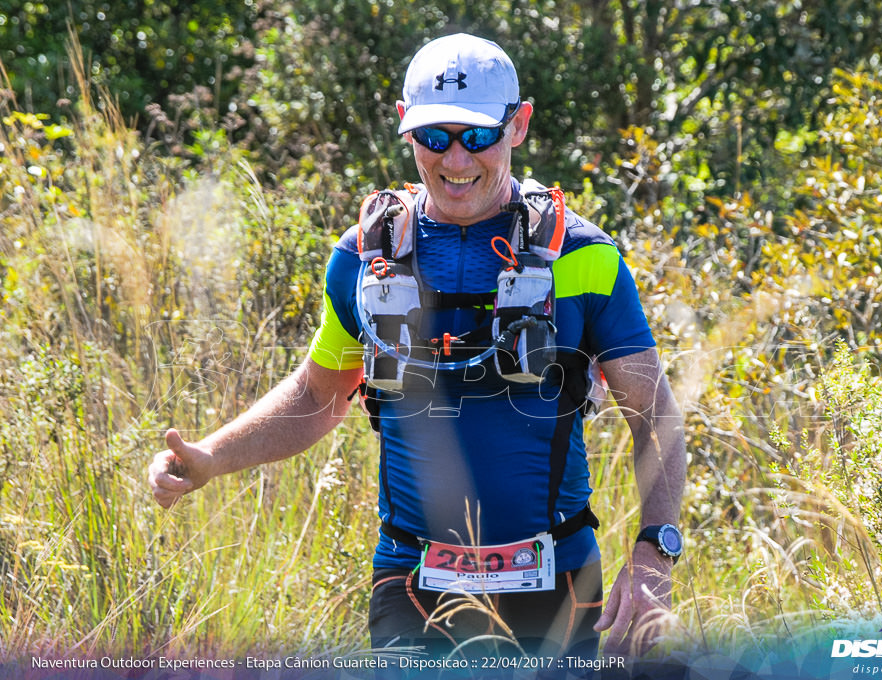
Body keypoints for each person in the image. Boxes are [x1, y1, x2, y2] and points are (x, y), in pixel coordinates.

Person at [148, 33, 686, 663]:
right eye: (435, 138)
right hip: (412, 585)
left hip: (559, 583)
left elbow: (653, 412)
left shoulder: (584, 258)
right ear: (405, 127)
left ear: (519, 125)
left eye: (477, 136)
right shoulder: (364, 260)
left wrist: (653, 553)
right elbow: (317, 397)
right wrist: (211, 457)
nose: (455, 159)